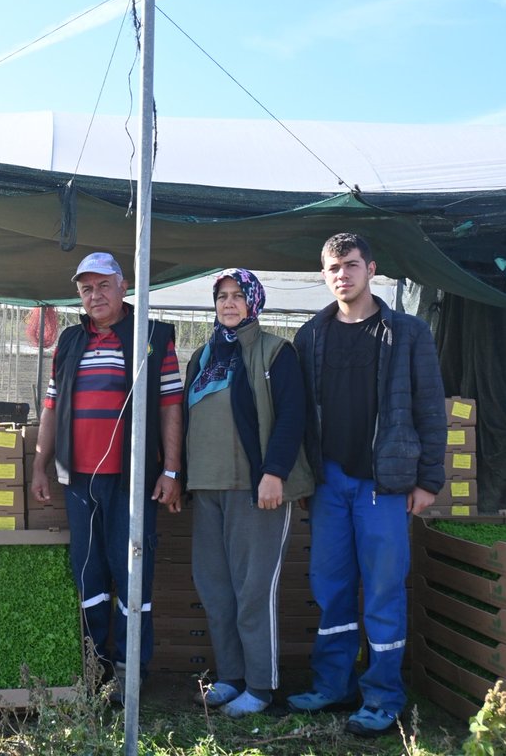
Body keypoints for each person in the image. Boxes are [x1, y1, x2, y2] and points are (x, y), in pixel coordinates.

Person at [286, 233, 446, 737]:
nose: (342, 275)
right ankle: (334, 685)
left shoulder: (407, 333)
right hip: (330, 482)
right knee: (330, 588)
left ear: (371, 269)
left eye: (351, 265)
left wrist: (429, 480)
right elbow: (301, 418)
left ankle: (382, 695)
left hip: (384, 485)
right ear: (324, 273)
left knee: (381, 591)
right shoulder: (310, 335)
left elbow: (429, 410)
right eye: (333, 267)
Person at [29, 251, 183, 701]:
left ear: (122, 286)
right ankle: (93, 667)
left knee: (132, 573)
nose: (94, 295)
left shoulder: (151, 336)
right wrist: (41, 463)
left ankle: (130, 671)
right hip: (79, 480)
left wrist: (171, 470)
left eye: (102, 286)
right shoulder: (71, 342)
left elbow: (170, 406)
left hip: (130, 483)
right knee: (88, 575)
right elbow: (52, 407)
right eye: (85, 288)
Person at [183, 269, 312, 718]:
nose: (229, 303)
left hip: (256, 490)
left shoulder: (276, 352)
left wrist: (274, 472)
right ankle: (231, 677)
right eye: (222, 296)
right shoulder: (202, 356)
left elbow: (293, 416)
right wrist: (182, 479)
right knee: (215, 588)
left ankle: (261, 685)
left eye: (238, 295)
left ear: (254, 300)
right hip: (208, 487)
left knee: (253, 589)